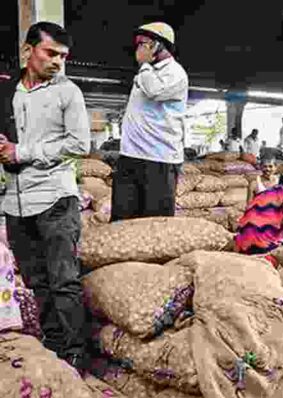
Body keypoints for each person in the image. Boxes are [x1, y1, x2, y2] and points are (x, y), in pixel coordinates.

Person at [0, 22, 90, 372]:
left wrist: (22, 152)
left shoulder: (68, 93)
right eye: (50, 53)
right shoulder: (8, 92)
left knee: (63, 281)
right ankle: (55, 348)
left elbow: (80, 144)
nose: (58, 62)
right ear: (28, 51)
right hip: (15, 202)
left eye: (63, 56)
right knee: (38, 282)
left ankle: (76, 354)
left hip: (55, 199)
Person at [112, 22, 188, 222]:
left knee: (155, 224)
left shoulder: (175, 73)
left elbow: (155, 91)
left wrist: (144, 65)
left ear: (157, 46)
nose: (137, 49)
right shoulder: (145, 74)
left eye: (142, 43)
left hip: (158, 159)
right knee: (123, 219)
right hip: (130, 155)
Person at [234, 156, 283, 255]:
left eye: (270, 166)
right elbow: (249, 204)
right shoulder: (254, 183)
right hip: (259, 217)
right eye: (264, 166)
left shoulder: (282, 181)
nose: (267, 169)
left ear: (276, 167)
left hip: (277, 215)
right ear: (260, 167)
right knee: (251, 232)